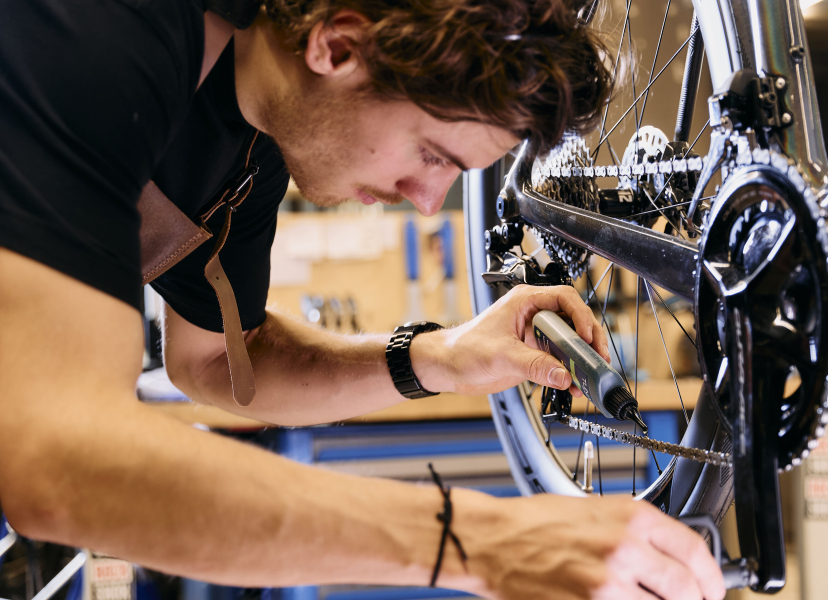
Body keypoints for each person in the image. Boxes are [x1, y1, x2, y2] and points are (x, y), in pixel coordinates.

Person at [0, 0, 726, 599]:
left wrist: (442, 356)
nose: (427, 201)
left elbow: (224, 358)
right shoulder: (102, 29)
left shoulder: (249, 142)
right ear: (337, 45)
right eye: (433, 154)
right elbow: (55, 455)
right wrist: (481, 541)